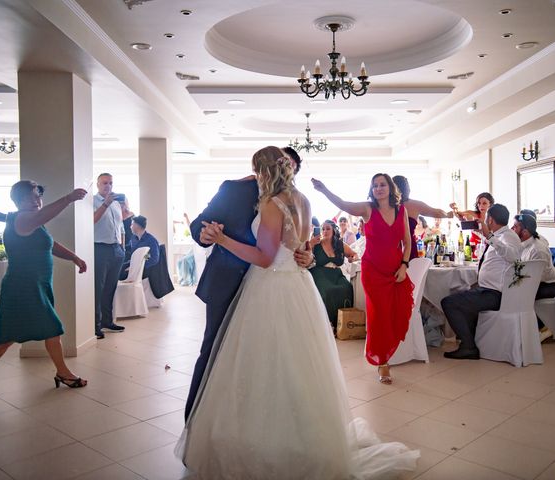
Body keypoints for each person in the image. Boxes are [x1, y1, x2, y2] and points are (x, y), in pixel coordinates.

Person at [177, 146, 418, 479]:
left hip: (267, 285)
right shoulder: (269, 194)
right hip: (263, 286)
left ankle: (267, 439)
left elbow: (273, 253)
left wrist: (228, 240)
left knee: (270, 363)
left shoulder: (275, 201)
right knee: (236, 359)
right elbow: (294, 242)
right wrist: (208, 234)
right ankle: (202, 431)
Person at [184, 146, 307, 420]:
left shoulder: (292, 200)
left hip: (269, 288)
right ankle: (196, 419)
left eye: (292, 168)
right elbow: (198, 223)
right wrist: (205, 233)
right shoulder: (234, 189)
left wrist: (305, 255)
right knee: (214, 349)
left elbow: (296, 241)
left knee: (267, 356)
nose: (286, 172)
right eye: (284, 164)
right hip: (227, 280)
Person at [0, 181, 88, 400]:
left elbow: (49, 243)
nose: (38, 201)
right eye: (32, 197)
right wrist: (68, 198)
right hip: (22, 287)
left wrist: (74, 257)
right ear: (19, 200)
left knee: (35, 332)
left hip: (36, 285)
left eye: (39, 197)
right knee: (30, 331)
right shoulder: (20, 218)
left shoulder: (32, 222)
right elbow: (44, 216)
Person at [312, 173, 413, 385]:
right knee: (379, 315)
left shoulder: (401, 210)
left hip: (395, 270)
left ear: (390, 187)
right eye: (375, 185)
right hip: (373, 271)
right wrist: (324, 190)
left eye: (382, 184)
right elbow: (344, 204)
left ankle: (385, 350)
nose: (379, 188)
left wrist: (404, 265)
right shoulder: (368, 209)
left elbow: (407, 242)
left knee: (395, 312)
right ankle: (382, 361)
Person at [441, 204, 522, 359]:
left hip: (495, 294)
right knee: (459, 296)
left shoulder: (508, 236)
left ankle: (469, 346)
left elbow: (512, 257)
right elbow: (495, 245)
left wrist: (489, 236)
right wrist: (483, 234)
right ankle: (470, 340)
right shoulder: (499, 236)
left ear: (490, 219)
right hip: (487, 290)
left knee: (449, 302)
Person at [511, 211, 555, 342]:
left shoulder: (537, 250)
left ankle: (543, 329)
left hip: (549, 285)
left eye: (515, 227)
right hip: (535, 280)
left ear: (526, 232)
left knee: (517, 295)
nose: (512, 229)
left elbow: (532, 278)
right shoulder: (524, 244)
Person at [93, 173, 126, 339]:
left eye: (110, 183)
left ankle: (107, 321)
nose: (108, 186)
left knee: (110, 288)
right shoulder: (92, 202)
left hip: (116, 250)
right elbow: (91, 220)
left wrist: (122, 247)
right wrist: (105, 204)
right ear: (98, 184)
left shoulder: (116, 204)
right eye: (104, 183)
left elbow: (120, 226)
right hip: (99, 249)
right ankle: (95, 325)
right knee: (98, 288)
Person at [309, 220, 357, 331]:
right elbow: (305, 254)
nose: (325, 231)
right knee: (327, 290)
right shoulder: (316, 244)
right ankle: (328, 324)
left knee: (347, 287)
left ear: (334, 230)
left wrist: (352, 258)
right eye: (323, 229)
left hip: (336, 274)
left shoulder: (339, 244)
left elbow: (353, 254)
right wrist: (311, 243)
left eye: (328, 228)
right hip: (320, 273)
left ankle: (344, 322)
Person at [393, 175, 453, 259]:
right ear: (407, 189)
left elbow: (437, 213)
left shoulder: (415, 205)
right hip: (392, 249)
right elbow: (437, 212)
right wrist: (448, 215)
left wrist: (448, 215)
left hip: (407, 249)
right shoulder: (415, 205)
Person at [451, 192, 495, 257]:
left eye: (484, 203)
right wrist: (454, 207)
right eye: (479, 203)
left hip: (487, 247)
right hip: (473, 245)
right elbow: (458, 213)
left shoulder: (493, 218)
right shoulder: (472, 214)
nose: (481, 206)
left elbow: (492, 235)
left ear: (490, 204)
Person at [119, 215, 160, 280]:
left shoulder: (151, 240)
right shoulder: (133, 239)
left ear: (137, 226)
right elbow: (128, 249)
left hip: (145, 268)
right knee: (117, 269)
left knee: (121, 274)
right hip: (134, 264)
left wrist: (137, 267)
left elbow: (154, 258)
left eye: (132, 224)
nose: (130, 227)